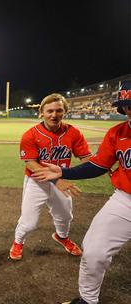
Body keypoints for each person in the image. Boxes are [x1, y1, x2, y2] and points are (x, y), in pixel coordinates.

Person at [33, 81, 131, 304]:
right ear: (124, 108)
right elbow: (98, 165)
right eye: (130, 106)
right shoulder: (118, 133)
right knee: (94, 251)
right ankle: (87, 300)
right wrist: (63, 172)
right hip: (126, 200)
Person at [8, 93, 91, 261]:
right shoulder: (30, 134)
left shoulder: (73, 133)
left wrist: (104, 166)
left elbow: (86, 158)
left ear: (65, 111)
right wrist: (57, 180)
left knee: (65, 216)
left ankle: (62, 237)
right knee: (29, 222)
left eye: (59, 110)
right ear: (42, 112)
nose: (54, 115)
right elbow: (31, 164)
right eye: (50, 111)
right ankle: (18, 241)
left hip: (60, 180)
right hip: (37, 181)